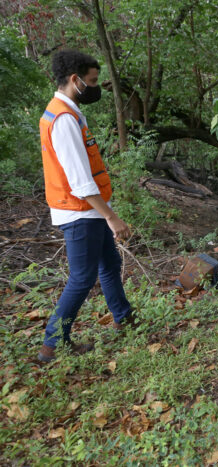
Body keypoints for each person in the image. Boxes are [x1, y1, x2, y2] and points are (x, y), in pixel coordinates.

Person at [37, 50, 136, 363]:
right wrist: (112, 217)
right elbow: (80, 180)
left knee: (109, 264)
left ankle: (124, 318)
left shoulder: (67, 111)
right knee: (82, 278)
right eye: (92, 81)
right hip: (80, 212)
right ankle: (52, 344)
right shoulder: (63, 119)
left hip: (88, 210)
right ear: (75, 80)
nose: (96, 87)